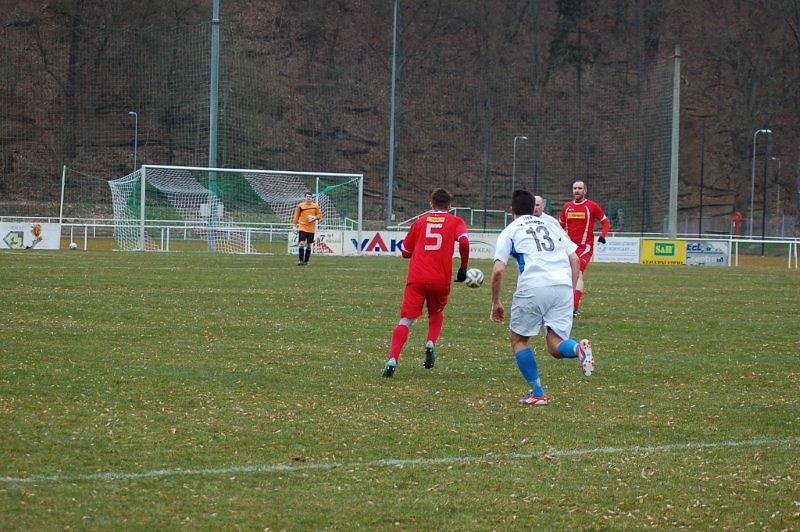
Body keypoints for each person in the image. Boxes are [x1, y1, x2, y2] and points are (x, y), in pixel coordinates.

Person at [491, 190, 595, 406]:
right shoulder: (552, 226)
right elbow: (575, 260)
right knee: (556, 346)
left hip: (533, 285)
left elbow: (499, 270)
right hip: (563, 286)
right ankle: (578, 349)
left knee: (519, 340)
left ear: (512, 211)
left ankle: (538, 393)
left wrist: (496, 302)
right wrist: (571, 289)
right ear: (533, 208)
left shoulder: (510, 230)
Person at [381, 188, 470, 378]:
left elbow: (405, 252)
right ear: (450, 206)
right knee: (436, 312)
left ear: (431, 204)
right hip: (440, 278)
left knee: (406, 320)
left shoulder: (419, 222)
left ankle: (392, 359)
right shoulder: (456, 222)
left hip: (417, 277)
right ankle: (430, 342)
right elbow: (464, 241)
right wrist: (463, 267)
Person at [558, 180, 611, 317]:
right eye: (575, 188)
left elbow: (605, 222)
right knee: (566, 275)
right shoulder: (567, 207)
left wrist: (603, 236)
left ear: (585, 191)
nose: (577, 190)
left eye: (579, 188)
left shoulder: (591, 206)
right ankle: (565, 305)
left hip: (584, 247)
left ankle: (573, 308)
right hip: (568, 247)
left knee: (578, 272)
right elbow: (559, 227)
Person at [292, 192, 324, 266]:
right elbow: (296, 216)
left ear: (312, 198)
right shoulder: (300, 206)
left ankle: (306, 261)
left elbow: (320, 215)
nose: (308, 198)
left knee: (309, 245)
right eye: (307, 197)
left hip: (311, 228)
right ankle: (300, 260)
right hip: (302, 227)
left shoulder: (315, 206)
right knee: (301, 243)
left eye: (310, 197)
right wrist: (294, 225)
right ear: (305, 198)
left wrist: (314, 217)